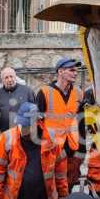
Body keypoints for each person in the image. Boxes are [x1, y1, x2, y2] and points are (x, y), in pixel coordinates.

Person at [36, 57, 83, 190]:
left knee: (70, 182)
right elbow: (36, 123)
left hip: (72, 148)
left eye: (76, 70)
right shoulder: (44, 92)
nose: (75, 73)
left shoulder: (79, 93)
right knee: (52, 185)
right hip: (52, 148)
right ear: (60, 71)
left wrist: (82, 150)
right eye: (71, 70)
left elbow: (81, 120)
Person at [0, 67, 35, 145]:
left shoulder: (28, 92)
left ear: (15, 77)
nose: (9, 80)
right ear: (2, 80)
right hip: (4, 139)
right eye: (6, 77)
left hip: (24, 139)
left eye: (11, 76)